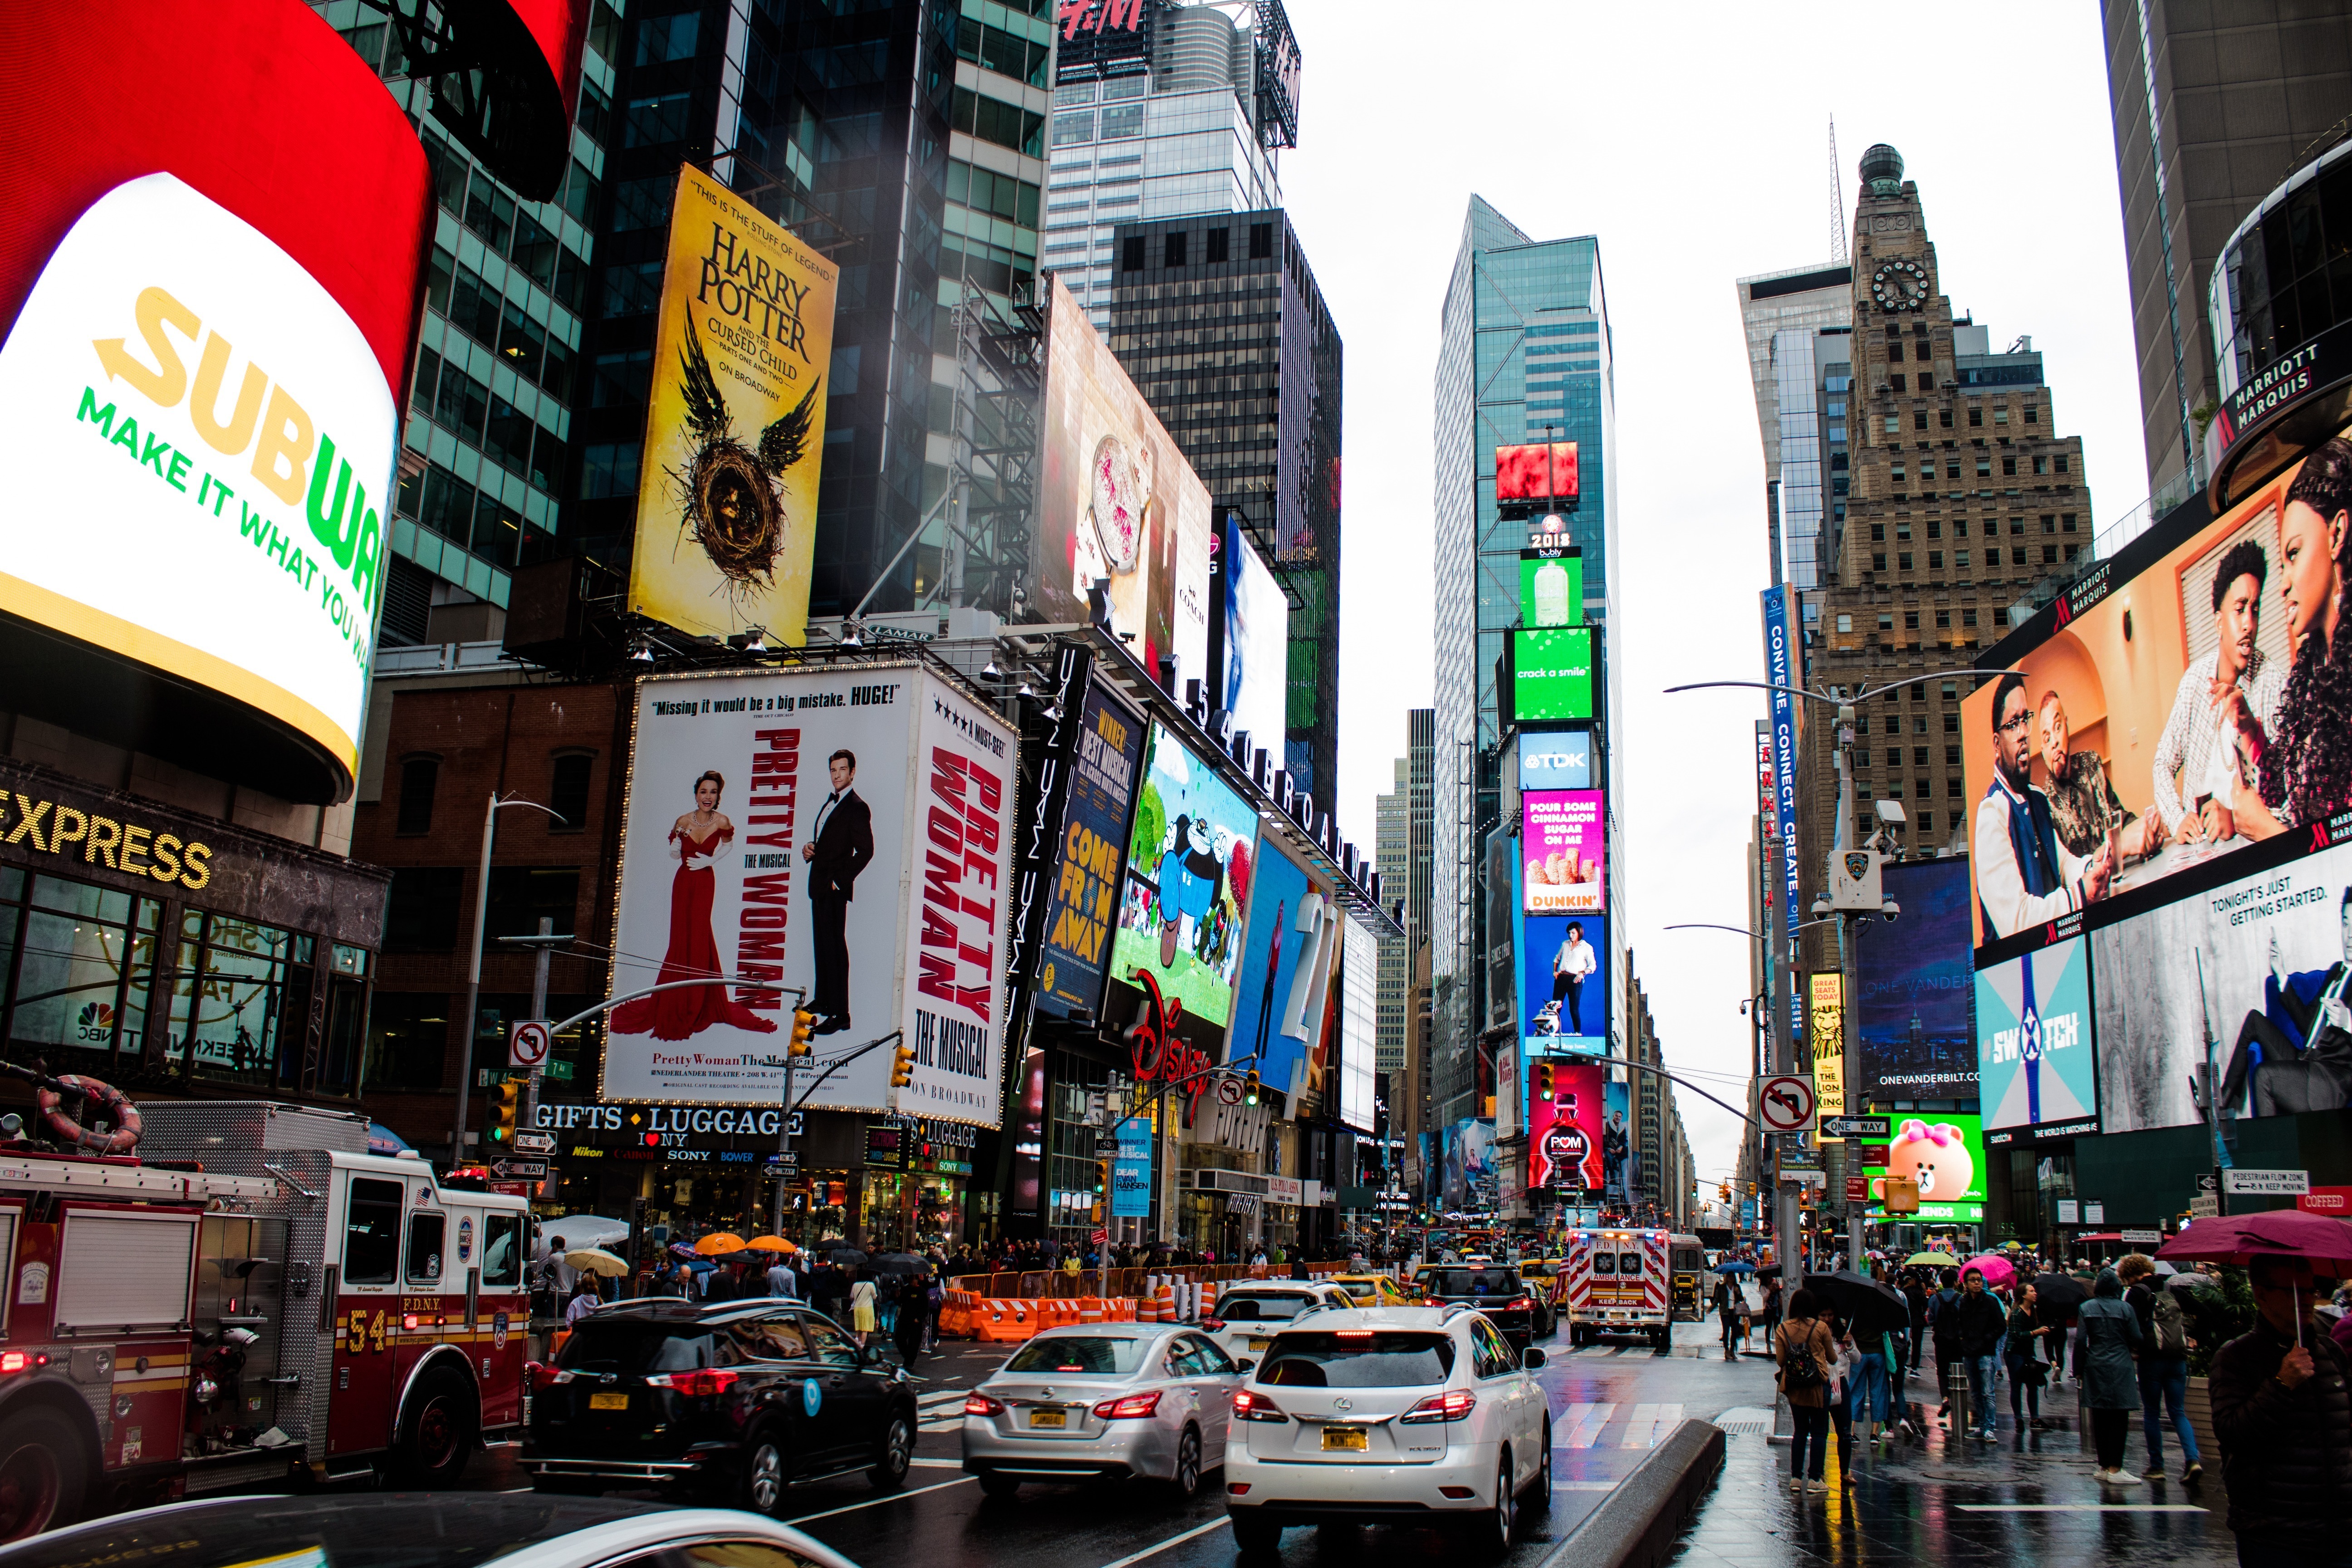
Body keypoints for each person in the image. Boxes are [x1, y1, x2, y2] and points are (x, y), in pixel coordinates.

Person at [611, 772, 780, 1040]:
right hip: (683, 881)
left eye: (713, 792)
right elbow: (674, 853)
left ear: (718, 796)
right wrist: (676, 848)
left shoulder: (722, 821)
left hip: (704, 880)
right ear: (696, 793)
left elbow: (729, 845)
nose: (708, 797)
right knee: (680, 935)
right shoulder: (683, 820)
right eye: (703, 792)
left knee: (700, 932)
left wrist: (709, 862)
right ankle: (676, 997)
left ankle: (700, 1000)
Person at [2210, 1253, 2352, 1565]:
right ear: (2261, 1294)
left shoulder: (2331, 1352)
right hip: (2275, 1535)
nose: (2305, 1300)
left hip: (2340, 1532)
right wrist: (2281, 1384)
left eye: (2309, 1290)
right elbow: (2233, 1433)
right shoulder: (2237, 1358)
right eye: (2293, 1291)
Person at [2152, 538, 2285, 844]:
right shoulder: (2196, 681)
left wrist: (2236, 823)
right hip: (2200, 853)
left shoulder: (2273, 684)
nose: (2249, 624)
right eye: (2240, 610)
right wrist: (2177, 818)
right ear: (2219, 622)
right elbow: (2162, 763)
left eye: (2255, 609)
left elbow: (2285, 803)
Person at [2251, 437, 2352, 835]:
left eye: (2294, 554)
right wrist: (2250, 733)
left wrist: (2268, 835)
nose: (2283, 585)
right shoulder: (2312, 673)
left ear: (2337, 534)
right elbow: (2292, 802)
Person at [1975, 671, 2116, 938]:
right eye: (2014, 724)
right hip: (2018, 971)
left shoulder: (2038, 798)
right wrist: (2080, 895)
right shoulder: (1991, 814)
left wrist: (2091, 868)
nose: (2025, 733)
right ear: (1997, 743)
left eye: (2026, 720)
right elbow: (2017, 922)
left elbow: (2062, 865)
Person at [2209, 894, 2352, 1118]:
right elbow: (2308, 1024)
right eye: (2346, 923)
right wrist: (2282, 974)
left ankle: (2273, 1151)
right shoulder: (2336, 971)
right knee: (2254, 1020)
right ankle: (2222, 1101)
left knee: (2265, 1075)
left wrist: (2348, 1022)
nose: (2350, 934)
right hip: (2306, 1059)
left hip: (2330, 1080)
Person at [2039, 691, 2159, 862]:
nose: (2054, 743)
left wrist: (2145, 830)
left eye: (2057, 728)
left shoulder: (2091, 764)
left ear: (2067, 726)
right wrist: (2121, 845)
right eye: (2046, 738)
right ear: (2043, 750)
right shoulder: (2044, 804)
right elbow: (2071, 869)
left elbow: (2117, 817)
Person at [802, 749, 874, 1034]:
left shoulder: (857, 806)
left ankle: (841, 1014)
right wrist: (811, 849)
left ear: (852, 772)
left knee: (835, 947)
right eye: (833, 770)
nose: (837, 775)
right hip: (819, 884)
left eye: (842, 770)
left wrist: (840, 881)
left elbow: (866, 851)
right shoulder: (830, 803)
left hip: (833, 887)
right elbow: (829, 842)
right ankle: (824, 1000)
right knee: (822, 944)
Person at [2118, 1252, 2202, 1483]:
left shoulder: (2135, 1294)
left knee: (2152, 1412)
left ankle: (2157, 1466)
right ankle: (2193, 1460)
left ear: (2129, 1274)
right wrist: (2193, 1336)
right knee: (2178, 1412)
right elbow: (2204, 1311)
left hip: (2150, 1360)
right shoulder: (2171, 1288)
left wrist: (2136, 1348)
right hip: (2177, 1358)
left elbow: (2130, 1328)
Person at [2078, 1268, 2146, 1485]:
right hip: (2121, 1365)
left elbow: (2080, 1341)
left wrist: (2078, 1369)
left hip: (2095, 1365)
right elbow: (2136, 1336)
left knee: (2099, 1417)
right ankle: (2116, 1468)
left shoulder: (2086, 1308)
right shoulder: (2126, 1308)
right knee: (2119, 1417)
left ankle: (2104, 1465)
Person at [1776, 1288, 1837, 1495]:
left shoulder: (1783, 1328)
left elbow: (1780, 1361)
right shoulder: (1821, 1327)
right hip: (1818, 1385)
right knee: (1820, 1432)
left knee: (1800, 1431)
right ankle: (1814, 1479)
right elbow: (1833, 1359)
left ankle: (1795, 1478)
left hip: (1794, 1386)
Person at [1956, 1269, 2009, 1441]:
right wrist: (1963, 1338)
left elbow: (2001, 1326)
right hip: (1970, 1351)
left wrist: (1987, 1339)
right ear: (1966, 1284)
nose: (1977, 1283)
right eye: (1973, 1280)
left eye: (1979, 1280)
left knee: (1988, 1392)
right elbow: (1961, 1323)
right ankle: (1982, 1426)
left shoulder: (1991, 1302)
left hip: (1986, 1351)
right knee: (1976, 1392)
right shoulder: (1964, 1302)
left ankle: (1989, 1427)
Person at [2004, 1280, 2052, 1433]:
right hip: (2015, 1353)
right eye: (2031, 1291)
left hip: (2028, 1353)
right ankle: (2018, 1419)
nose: (2035, 1293)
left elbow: (2031, 1332)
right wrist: (2035, 1333)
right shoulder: (2017, 1313)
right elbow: (2017, 1335)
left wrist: (2040, 1331)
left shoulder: (2034, 1310)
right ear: (2024, 1295)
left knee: (2033, 1385)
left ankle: (2035, 1419)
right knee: (2017, 1386)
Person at [1929, 1267, 1965, 1425]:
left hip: (1941, 1340)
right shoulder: (1961, 1299)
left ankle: (1945, 1398)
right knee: (1958, 1368)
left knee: (1942, 1371)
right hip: (1958, 1340)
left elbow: (1931, 1319)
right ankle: (1958, 1395)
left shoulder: (1935, 1299)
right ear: (1956, 1282)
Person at [1553, 923, 1597, 1035]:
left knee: (1574, 1008)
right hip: (1562, 977)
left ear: (1579, 932)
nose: (1571, 935)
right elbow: (1557, 959)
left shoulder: (1587, 947)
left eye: (1573, 933)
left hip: (1575, 980)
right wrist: (1555, 971)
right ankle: (1553, 1031)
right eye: (1569, 933)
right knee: (1555, 1007)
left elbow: (1593, 966)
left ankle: (1577, 1032)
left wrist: (1582, 973)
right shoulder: (1565, 944)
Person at [1715, 1273, 1743, 1362]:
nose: (1731, 1278)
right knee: (1726, 1331)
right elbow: (1717, 1299)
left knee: (1735, 1332)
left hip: (1735, 1312)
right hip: (1725, 1312)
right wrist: (1710, 1308)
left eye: (1732, 1276)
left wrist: (1738, 1293)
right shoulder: (1722, 1287)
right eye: (1729, 1276)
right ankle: (1726, 1350)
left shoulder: (1737, 1287)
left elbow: (1741, 1299)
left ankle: (1732, 1350)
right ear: (1726, 1277)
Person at [848, 1270, 879, 1345]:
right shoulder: (871, 1285)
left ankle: (858, 1343)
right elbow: (875, 1297)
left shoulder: (855, 1285)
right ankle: (862, 1345)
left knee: (859, 1328)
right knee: (865, 1329)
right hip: (867, 1309)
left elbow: (851, 1297)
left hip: (857, 1309)